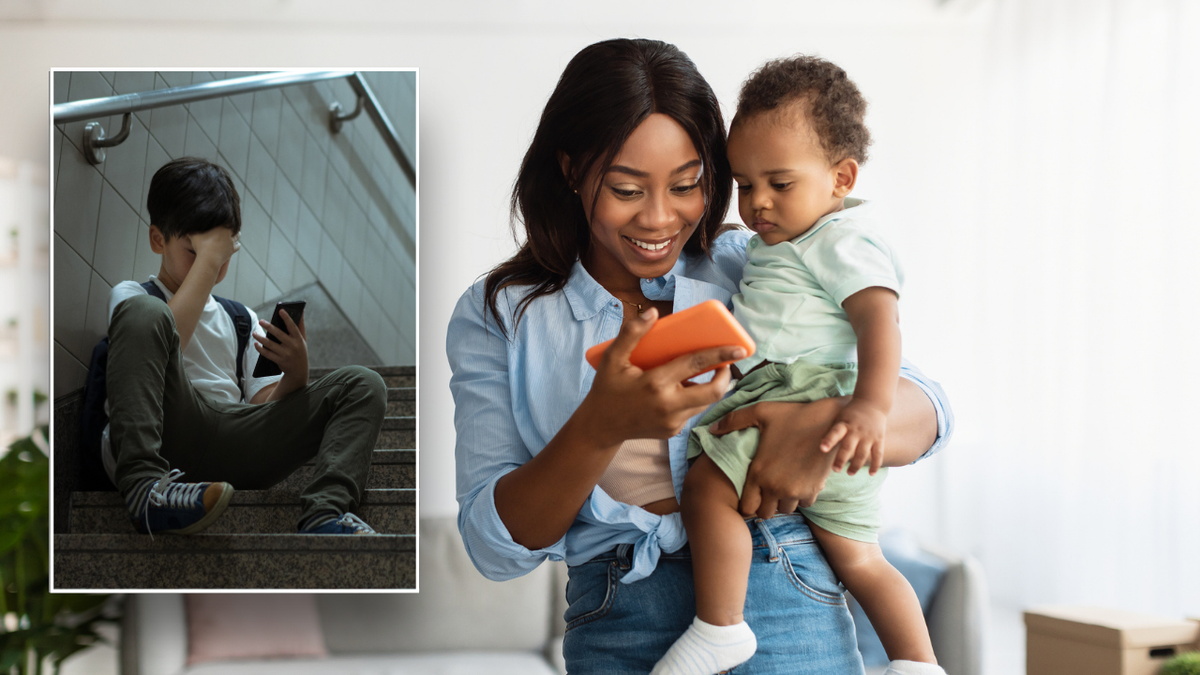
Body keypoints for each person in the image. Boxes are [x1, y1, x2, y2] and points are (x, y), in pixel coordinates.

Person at [447, 38, 953, 674]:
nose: (661, 218)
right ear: (573, 169)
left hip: (788, 587)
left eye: (688, 185)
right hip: (621, 615)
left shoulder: (754, 260)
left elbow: (930, 407)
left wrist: (815, 428)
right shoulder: (501, 315)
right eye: (626, 189)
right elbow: (496, 549)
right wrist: (599, 426)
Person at [654, 57, 943, 675]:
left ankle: (721, 626)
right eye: (743, 183)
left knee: (706, 487)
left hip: (803, 387)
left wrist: (866, 408)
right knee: (862, 559)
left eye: (779, 184)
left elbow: (880, 324)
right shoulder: (778, 241)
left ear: (841, 177)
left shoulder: (839, 239)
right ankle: (917, 663)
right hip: (807, 391)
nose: (757, 202)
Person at [103, 156, 386, 536]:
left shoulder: (240, 320)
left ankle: (325, 513)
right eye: (197, 251)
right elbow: (169, 336)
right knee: (145, 313)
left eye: (221, 253)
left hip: (233, 443)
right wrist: (208, 263)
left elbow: (263, 411)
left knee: (363, 384)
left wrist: (297, 370)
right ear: (158, 240)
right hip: (167, 429)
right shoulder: (135, 298)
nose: (213, 263)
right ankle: (144, 488)